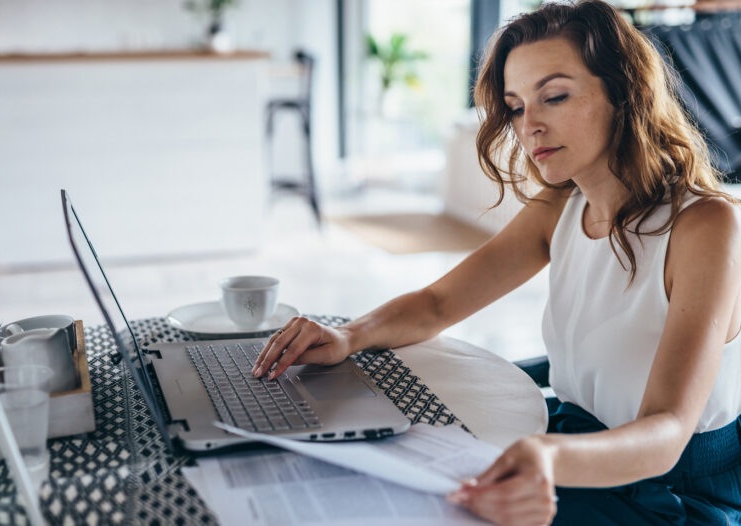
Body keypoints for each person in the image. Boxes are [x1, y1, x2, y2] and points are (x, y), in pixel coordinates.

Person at [253, 1, 741, 524]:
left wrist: (548, 458)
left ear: (624, 94)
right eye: (514, 106)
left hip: (669, 491)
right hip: (569, 443)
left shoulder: (706, 225)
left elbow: (667, 431)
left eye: (554, 96)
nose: (529, 125)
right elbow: (438, 303)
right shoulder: (561, 204)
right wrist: (347, 336)